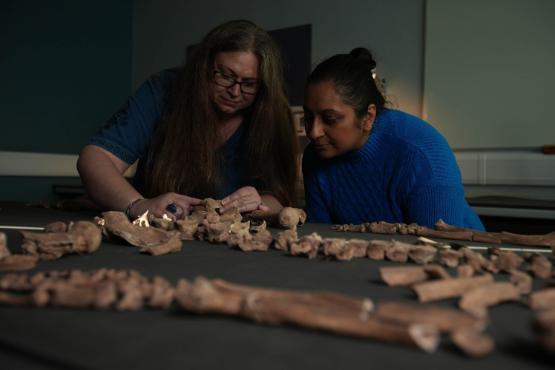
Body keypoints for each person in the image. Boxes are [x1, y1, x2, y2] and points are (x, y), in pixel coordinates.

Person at [77, 20, 299, 220]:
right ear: (203, 66)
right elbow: (95, 158)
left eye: (249, 83)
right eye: (225, 75)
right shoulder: (163, 91)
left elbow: (279, 200)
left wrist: (260, 202)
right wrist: (138, 205)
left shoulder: (272, 113)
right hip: (155, 231)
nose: (235, 91)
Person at [302, 47, 484, 230]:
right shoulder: (315, 157)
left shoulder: (422, 153)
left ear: (368, 117)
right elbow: (320, 236)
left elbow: (439, 246)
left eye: (330, 119)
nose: (313, 132)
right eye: (309, 117)